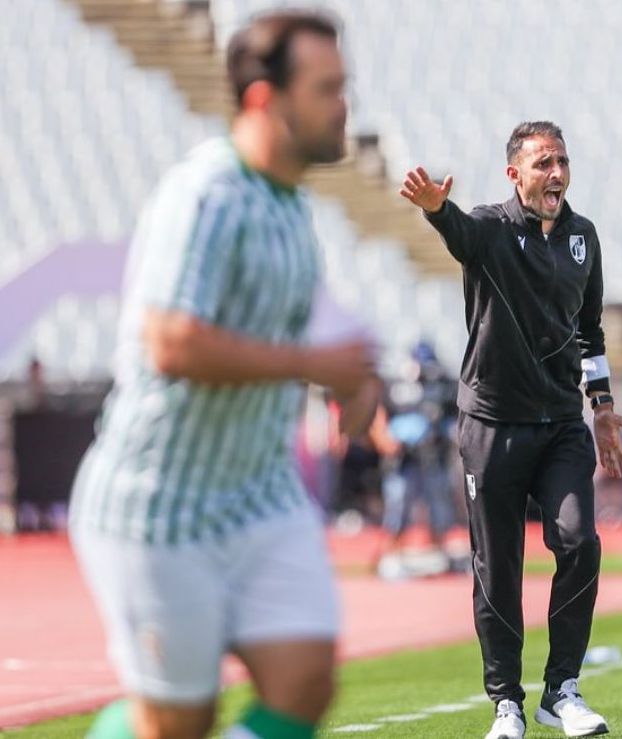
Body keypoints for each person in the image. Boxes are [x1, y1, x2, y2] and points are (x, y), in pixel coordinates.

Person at [68, 11, 379, 739]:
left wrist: (347, 383)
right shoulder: (205, 193)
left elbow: (280, 345)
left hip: (256, 497)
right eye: (327, 88)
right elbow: (171, 342)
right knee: (178, 722)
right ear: (267, 99)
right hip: (160, 505)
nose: (344, 105)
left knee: (305, 680)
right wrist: (312, 364)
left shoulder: (293, 208)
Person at [399, 121, 622, 739]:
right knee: (497, 565)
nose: (557, 174)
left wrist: (602, 404)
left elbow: (591, 332)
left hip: (561, 423)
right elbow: (458, 230)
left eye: (562, 162)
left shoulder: (584, 238)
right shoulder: (491, 230)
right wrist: (435, 209)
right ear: (515, 174)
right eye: (544, 164)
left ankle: (562, 691)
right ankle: (507, 702)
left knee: (580, 542)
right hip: (493, 425)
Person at [375, 342, 459, 578]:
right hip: (404, 460)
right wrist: (388, 442)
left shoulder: (442, 386)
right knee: (398, 505)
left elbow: (454, 418)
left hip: (433, 457)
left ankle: (441, 553)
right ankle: (390, 556)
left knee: (439, 505)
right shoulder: (398, 387)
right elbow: (380, 417)